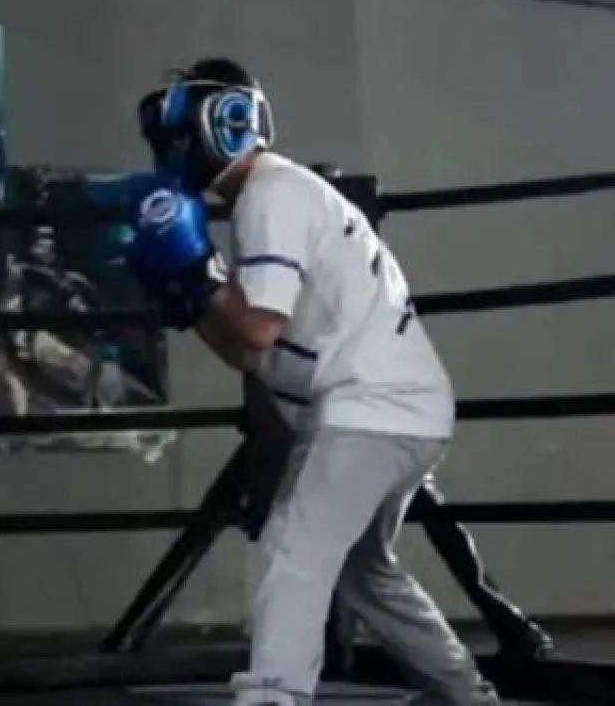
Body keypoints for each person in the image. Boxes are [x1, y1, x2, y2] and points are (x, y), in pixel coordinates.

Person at [122, 57, 499, 706]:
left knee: (293, 546)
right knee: (361, 570)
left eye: (179, 137)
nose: (172, 154)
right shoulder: (275, 196)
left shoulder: (272, 195)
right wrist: (190, 295)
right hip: (392, 408)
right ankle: (466, 695)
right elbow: (250, 354)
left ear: (224, 124)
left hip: (372, 407)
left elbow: (258, 329)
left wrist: (199, 272)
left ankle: (274, 693)